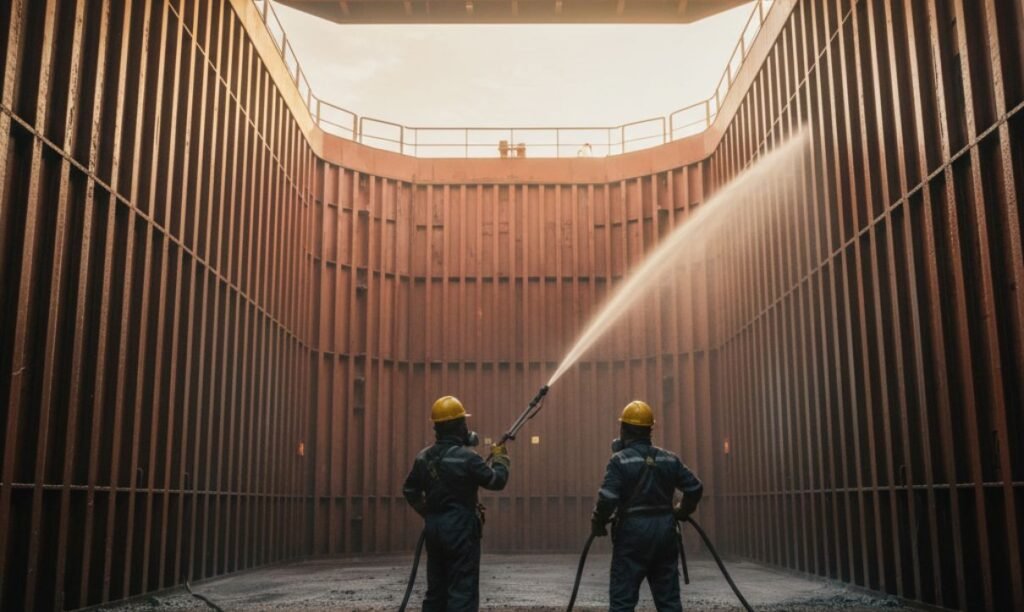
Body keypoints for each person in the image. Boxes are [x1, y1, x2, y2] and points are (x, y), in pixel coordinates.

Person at [590, 400, 703, 612]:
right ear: (650, 430)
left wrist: (597, 522)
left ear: (623, 429)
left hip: (633, 535)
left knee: (623, 602)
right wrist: (681, 511)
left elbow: (607, 498)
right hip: (665, 533)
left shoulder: (619, 461)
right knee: (669, 602)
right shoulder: (669, 460)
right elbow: (695, 488)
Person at [402, 395, 511, 612]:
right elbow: (496, 481)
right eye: (463, 421)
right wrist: (500, 459)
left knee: (436, 590)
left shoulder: (423, 458)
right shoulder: (468, 458)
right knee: (462, 590)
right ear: (459, 425)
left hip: (434, 529)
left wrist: (430, 514)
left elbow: (410, 490)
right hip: (461, 530)